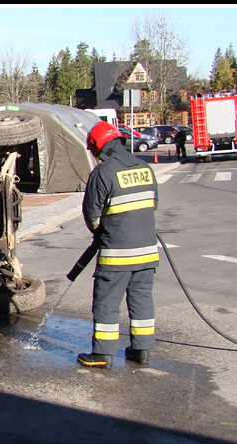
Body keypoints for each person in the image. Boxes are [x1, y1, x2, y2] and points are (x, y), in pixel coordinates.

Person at [77, 121, 159, 369]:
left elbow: (92, 216)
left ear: (96, 146)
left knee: (106, 301)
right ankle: (141, 350)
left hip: (117, 255)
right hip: (147, 251)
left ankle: (102, 353)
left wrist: (100, 233)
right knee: (141, 298)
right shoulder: (145, 168)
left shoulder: (102, 173)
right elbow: (152, 205)